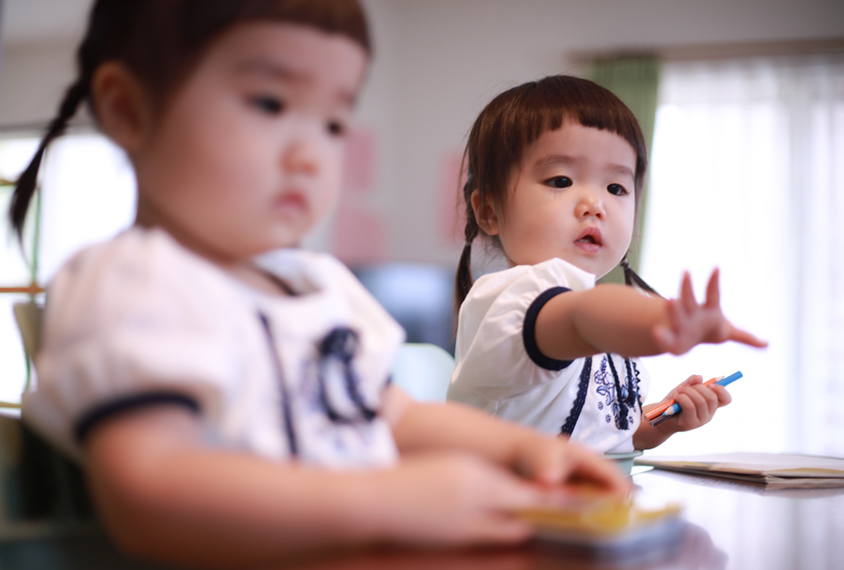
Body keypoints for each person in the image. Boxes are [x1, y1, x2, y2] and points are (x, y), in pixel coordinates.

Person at [8, 3, 630, 568]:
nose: (311, 153)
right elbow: (151, 492)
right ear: (129, 109)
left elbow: (396, 417)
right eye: (271, 104)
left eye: (334, 123)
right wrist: (385, 500)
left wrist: (524, 454)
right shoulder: (134, 283)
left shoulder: (319, 288)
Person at [447, 75, 767, 456]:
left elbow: (612, 434)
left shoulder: (605, 326)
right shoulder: (508, 300)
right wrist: (660, 319)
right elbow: (580, 315)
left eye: (616, 188)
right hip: (504, 508)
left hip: (592, 506)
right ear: (488, 211)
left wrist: (665, 418)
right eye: (561, 180)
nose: (594, 204)